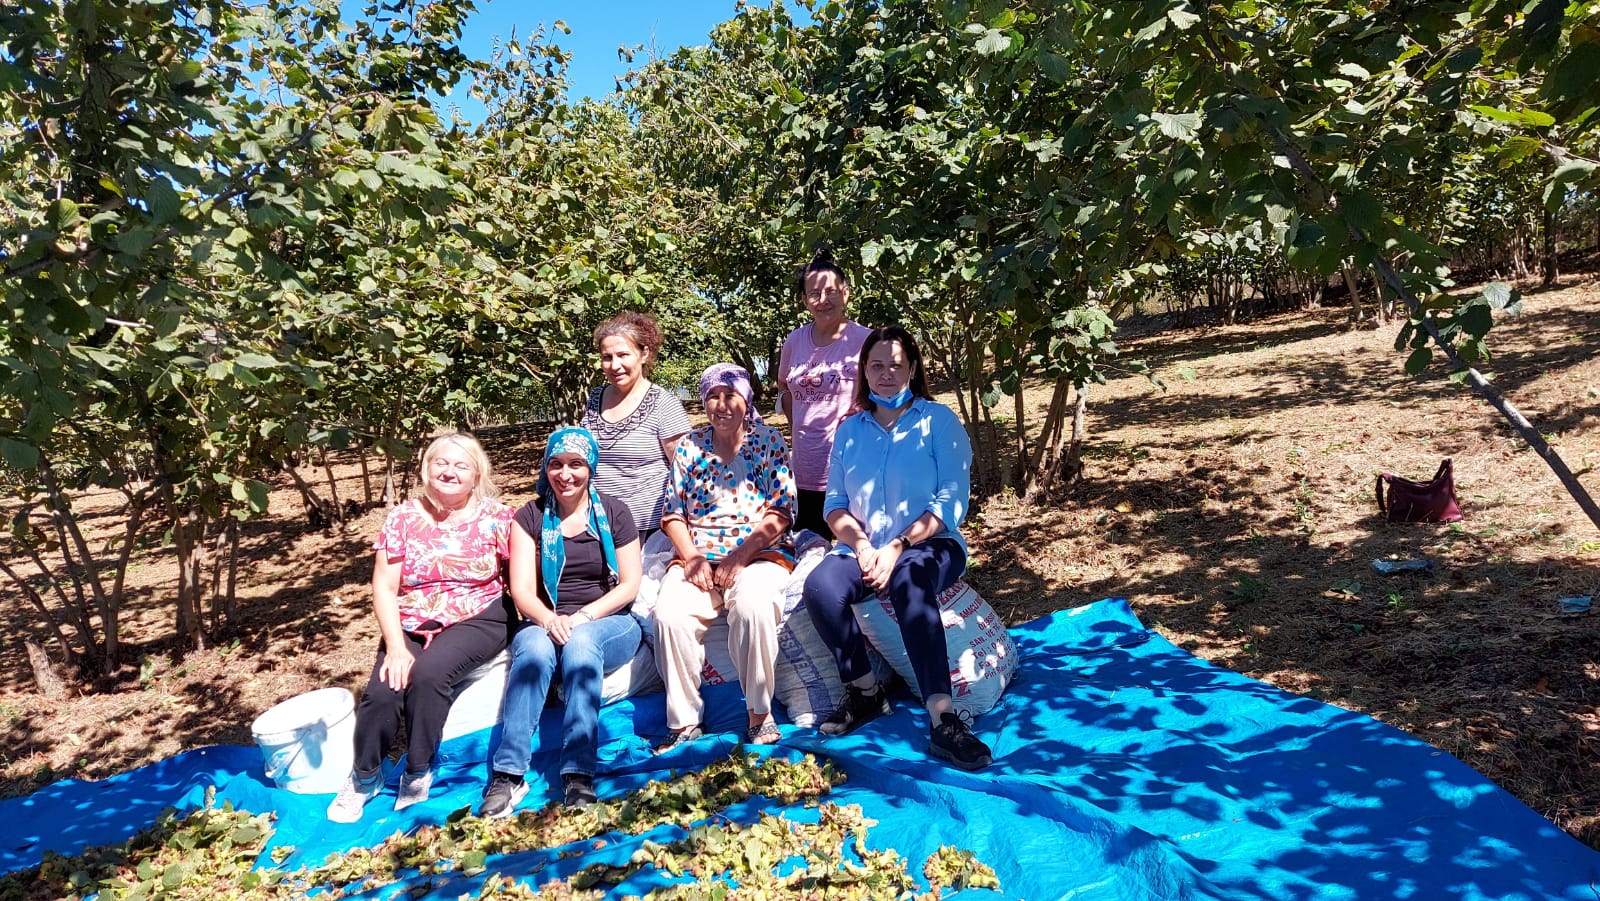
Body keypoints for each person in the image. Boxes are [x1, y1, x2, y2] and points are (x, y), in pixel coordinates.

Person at [800, 326, 992, 770]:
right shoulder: (849, 431)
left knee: (909, 578)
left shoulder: (937, 421)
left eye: (896, 365)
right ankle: (865, 692)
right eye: (876, 366)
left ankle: (944, 720)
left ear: (913, 368)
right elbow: (835, 504)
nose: (886, 374)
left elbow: (952, 501)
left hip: (932, 544)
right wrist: (864, 545)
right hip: (863, 548)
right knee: (821, 587)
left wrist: (900, 545)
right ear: (863, 371)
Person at [328, 432, 515, 822]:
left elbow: (525, 574)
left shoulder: (498, 516)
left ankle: (418, 768)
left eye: (461, 465)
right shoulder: (403, 517)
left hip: (477, 616)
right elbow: (383, 586)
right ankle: (365, 776)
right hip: (413, 618)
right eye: (441, 463)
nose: (450, 471)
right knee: (384, 690)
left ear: (477, 474)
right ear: (426, 469)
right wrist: (396, 646)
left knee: (429, 674)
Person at [479, 427, 643, 816]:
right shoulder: (530, 516)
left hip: (608, 619)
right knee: (534, 650)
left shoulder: (616, 512)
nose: (565, 473)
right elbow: (521, 591)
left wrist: (583, 617)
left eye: (576, 464)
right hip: (545, 617)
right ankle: (508, 774)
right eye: (556, 464)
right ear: (546, 467)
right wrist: (551, 620)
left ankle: (578, 773)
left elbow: (631, 584)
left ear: (591, 467)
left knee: (582, 644)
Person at [653, 363, 796, 751]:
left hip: (758, 553)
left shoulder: (768, 442)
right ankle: (684, 722)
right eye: (713, 396)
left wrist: (739, 557)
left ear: (746, 399)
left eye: (730, 395)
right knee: (668, 614)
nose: (721, 405)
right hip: (699, 556)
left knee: (753, 606)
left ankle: (758, 713)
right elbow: (672, 514)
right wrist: (693, 557)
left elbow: (781, 512)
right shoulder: (690, 447)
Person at [776, 257, 871, 539]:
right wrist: (798, 425)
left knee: (855, 555)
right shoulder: (794, 342)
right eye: (814, 294)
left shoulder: (867, 341)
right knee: (808, 552)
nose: (823, 300)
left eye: (830, 291)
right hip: (804, 472)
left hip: (852, 471)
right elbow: (784, 386)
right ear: (805, 300)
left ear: (846, 293)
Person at [581, 312, 693, 543]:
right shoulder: (594, 400)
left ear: (644, 354)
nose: (615, 365)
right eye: (607, 357)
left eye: (623, 355)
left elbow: (687, 471)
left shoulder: (664, 404)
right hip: (599, 524)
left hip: (649, 531)